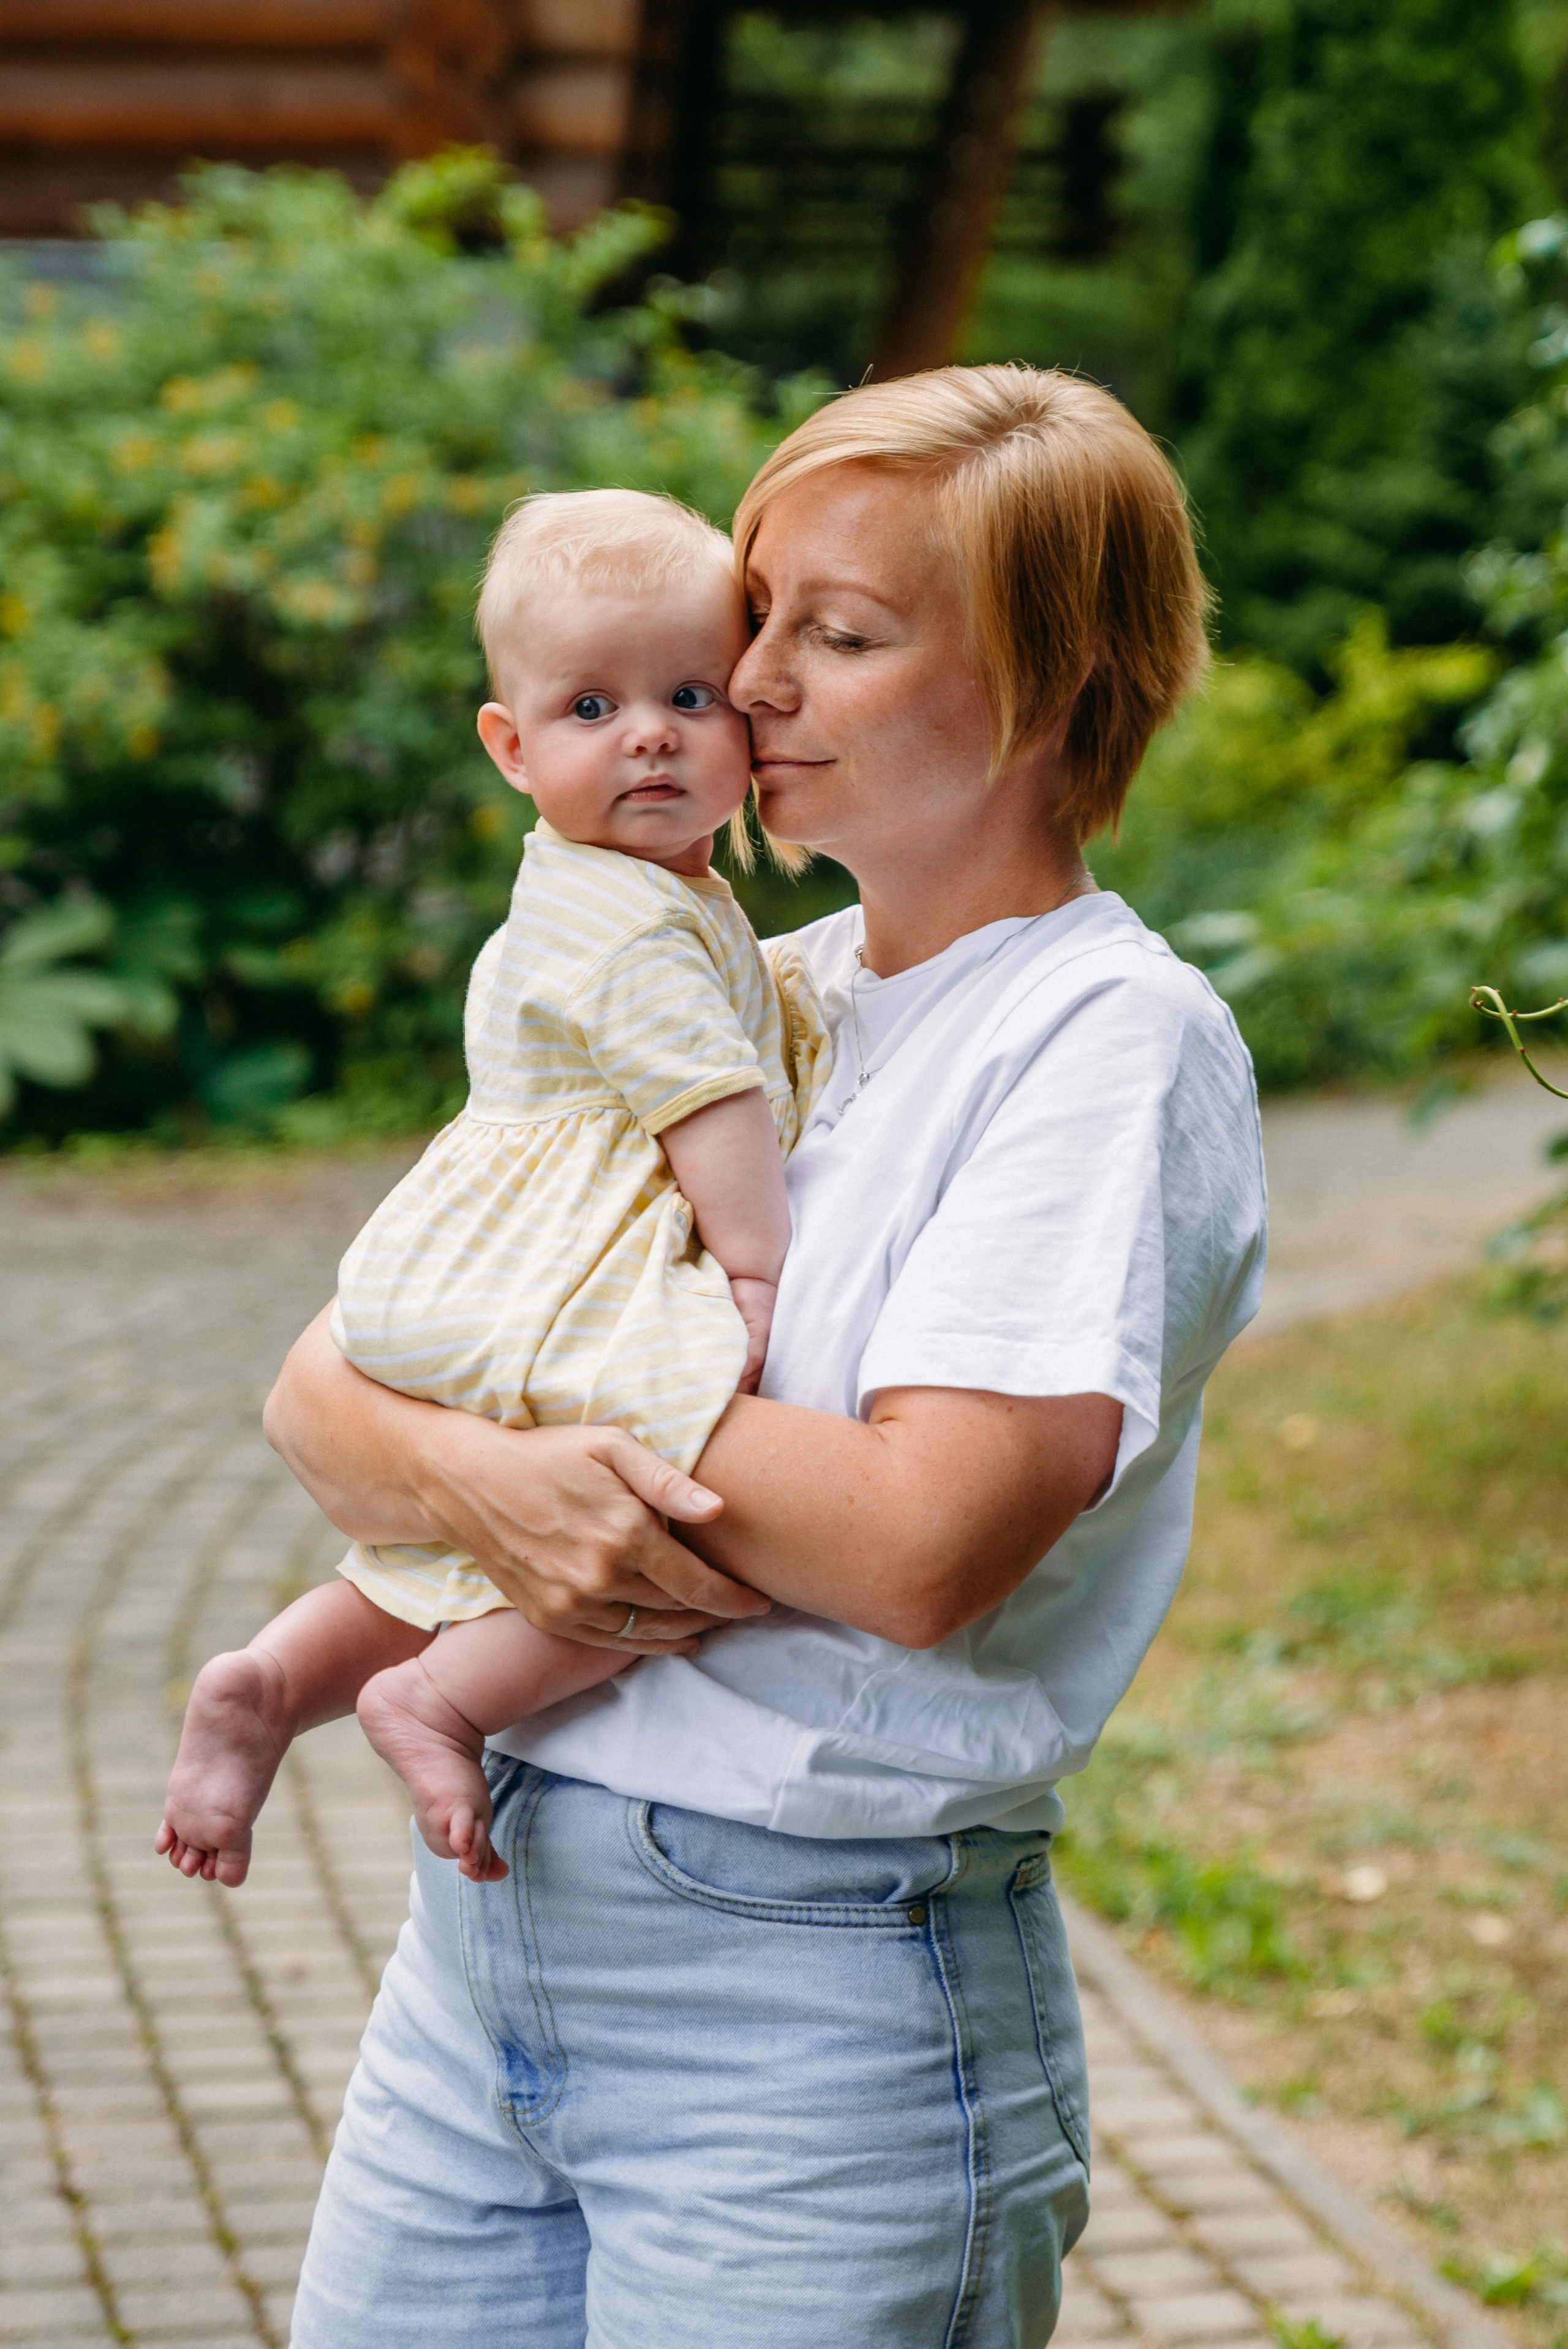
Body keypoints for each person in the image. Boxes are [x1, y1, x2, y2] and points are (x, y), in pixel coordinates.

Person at [265, 364, 1268, 2349]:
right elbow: (319, 1386)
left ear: (1063, 689)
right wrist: (492, 1479)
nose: (754, 681)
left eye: (843, 632)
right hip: (481, 1955)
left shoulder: (1103, 1044)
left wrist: (506, 1431)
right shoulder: (734, 970)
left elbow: (915, 1540)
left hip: (806, 2015)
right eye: (761, 617)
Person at [155, 489, 830, 1891]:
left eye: (690, 693)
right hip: (572, 1263)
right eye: (593, 706)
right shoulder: (634, 920)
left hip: (498, 1244)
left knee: (468, 1543)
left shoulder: (608, 883)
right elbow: (708, 1112)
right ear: (510, 748)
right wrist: (754, 1267)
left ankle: (275, 1676)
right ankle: (440, 1698)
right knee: (655, 1502)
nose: (648, 731)